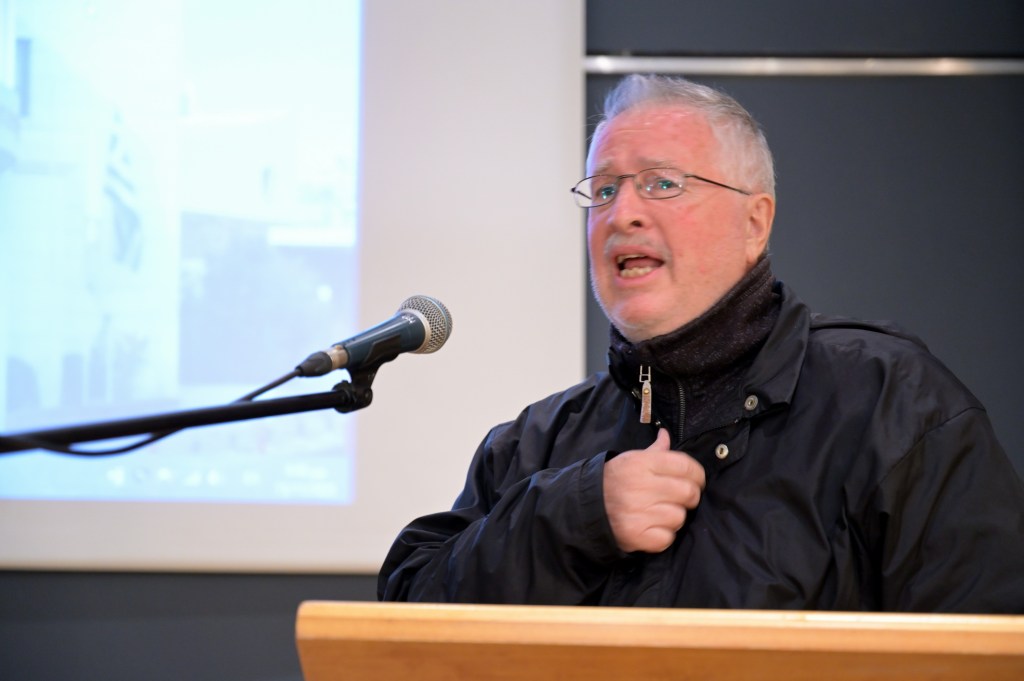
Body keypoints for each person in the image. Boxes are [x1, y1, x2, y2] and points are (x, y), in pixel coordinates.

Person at [377, 74, 1024, 612]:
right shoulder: (539, 443)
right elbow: (409, 620)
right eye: (604, 190)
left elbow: (986, 650)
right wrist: (573, 518)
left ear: (755, 223)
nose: (623, 213)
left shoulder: (892, 403)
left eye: (663, 183)